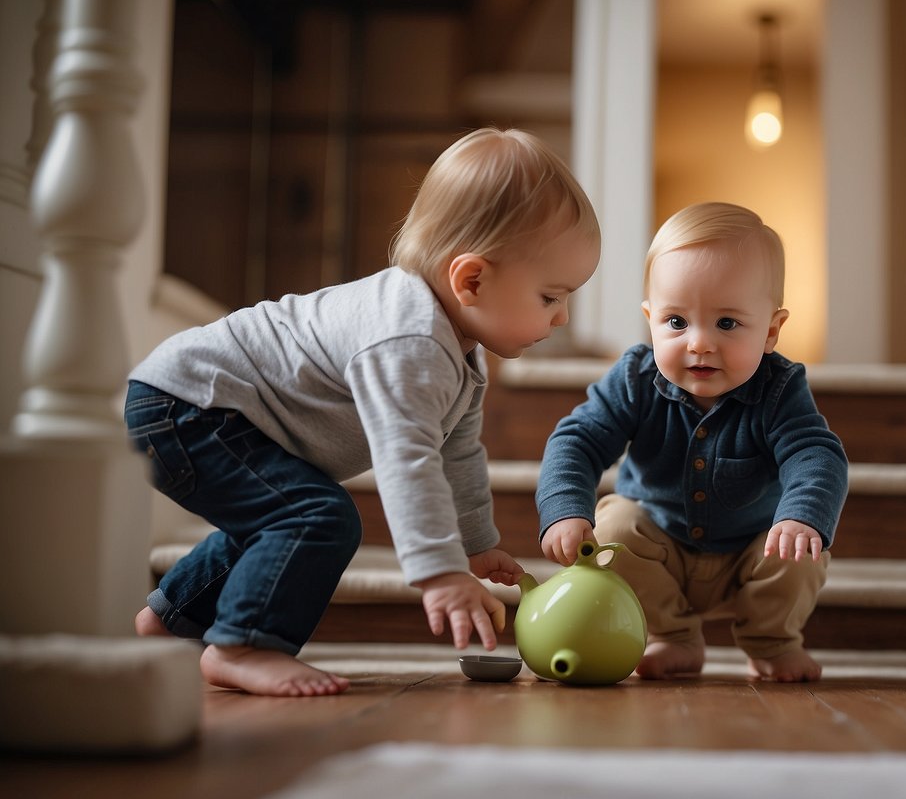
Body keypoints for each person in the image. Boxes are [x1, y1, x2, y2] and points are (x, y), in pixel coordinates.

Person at [126, 127, 601, 696]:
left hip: (196, 410)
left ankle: (172, 619)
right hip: (186, 407)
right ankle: (245, 643)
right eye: (551, 296)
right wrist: (440, 571)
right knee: (316, 517)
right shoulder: (409, 339)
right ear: (471, 279)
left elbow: (457, 452)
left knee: (278, 514)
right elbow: (407, 458)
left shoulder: (460, 354)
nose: (562, 317)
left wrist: (474, 541)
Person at [536, 202, 847, 683]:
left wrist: (802, 514)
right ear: (650, 320)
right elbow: (577, 441)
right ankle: (672, 636)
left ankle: (772, 641)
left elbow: (815, 454)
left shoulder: (779, 389)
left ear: (770, 330)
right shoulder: (636, 378)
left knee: (801, 547)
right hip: (658, 551)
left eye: (726, 323)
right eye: (677, 322)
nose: (699, 342)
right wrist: (565, 509)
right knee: (614, 524)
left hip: (751, 556)